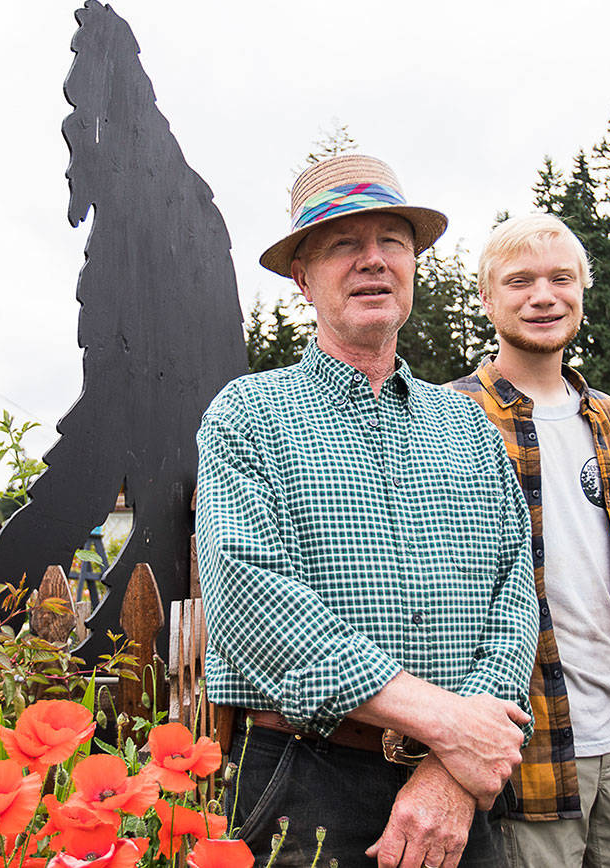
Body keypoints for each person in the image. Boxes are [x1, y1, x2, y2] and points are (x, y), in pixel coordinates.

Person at [195, 154, 539, 868]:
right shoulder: (248, 414)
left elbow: (515, 595)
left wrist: (450, 765)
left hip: (457, 787)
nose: (373, 260)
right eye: (344, 244)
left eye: (392, 242)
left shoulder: (469, 425)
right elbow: (244, 597)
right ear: (303, 278)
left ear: (414, 266)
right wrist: (444, 720)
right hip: (305, 779)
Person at [449, 215, 610, 867]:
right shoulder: (448, 416)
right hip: (526, 753)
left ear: (582, 292)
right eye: (520, 281)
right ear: (486, 298)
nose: (543, 295)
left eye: (561, 278)